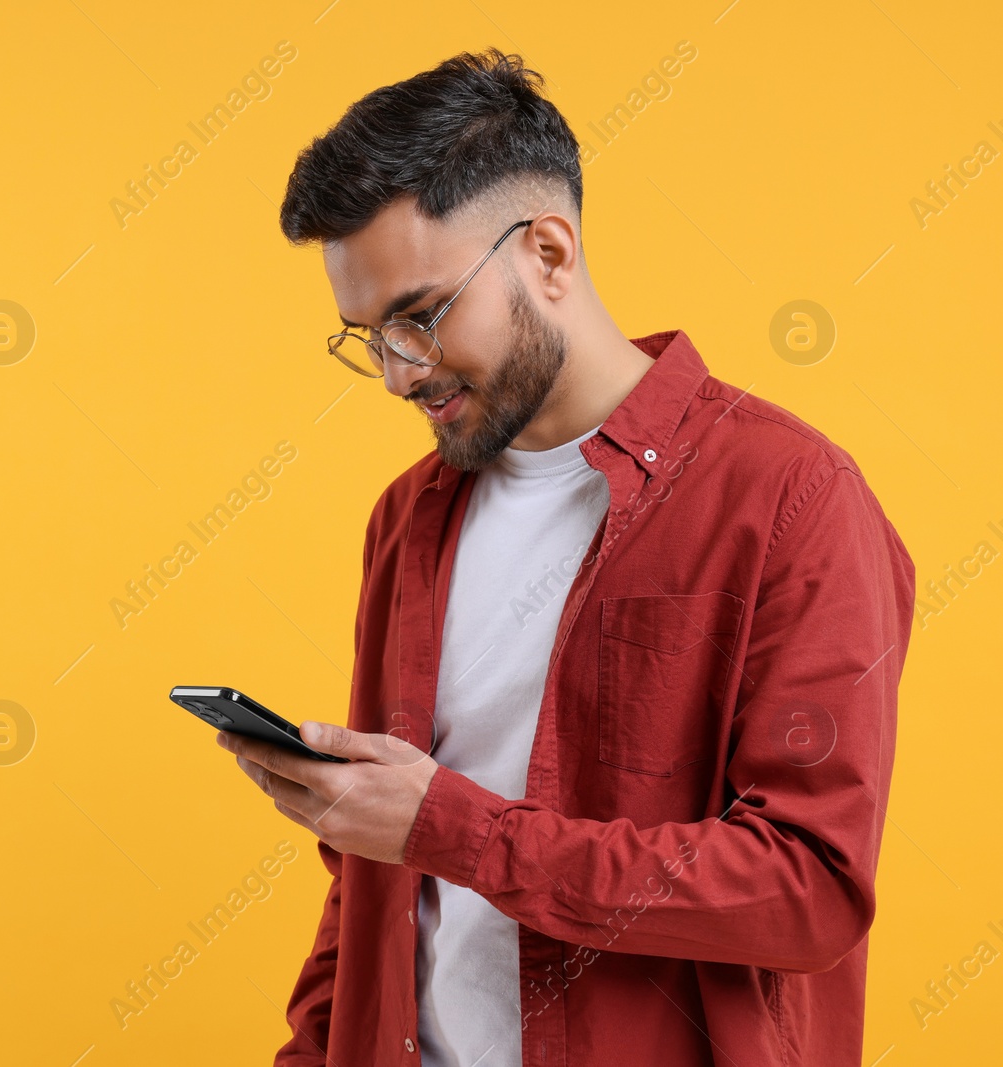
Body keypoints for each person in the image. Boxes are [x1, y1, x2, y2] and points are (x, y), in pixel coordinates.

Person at [216, 48, 916, 1067]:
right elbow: (365, 884)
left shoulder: (789, 499)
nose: (395, 374)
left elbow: (804, 889)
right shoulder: (408, 519)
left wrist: (449, 827)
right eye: (366, 336)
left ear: (547, 251)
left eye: (419, 315)